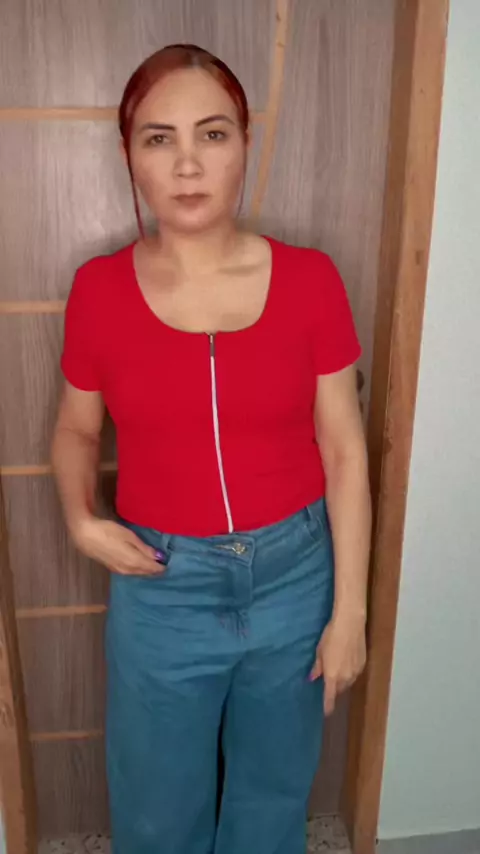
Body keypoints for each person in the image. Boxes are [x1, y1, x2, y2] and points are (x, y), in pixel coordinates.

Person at [52, 43, 371, 854]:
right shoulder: (98, 290)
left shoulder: (312, 279)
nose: (188, 164)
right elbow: (77, 428)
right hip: (162, 585)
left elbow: (344, 450)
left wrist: (350, 612)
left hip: (296, 576)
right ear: (130, 154)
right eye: (159, 138)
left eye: (213, 133)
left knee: (273, 794)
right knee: (157, 806)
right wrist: (81, 520)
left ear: (245, 144)